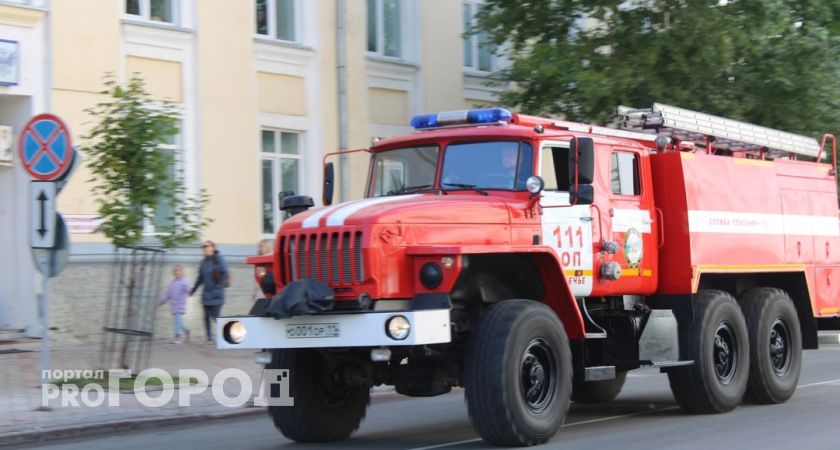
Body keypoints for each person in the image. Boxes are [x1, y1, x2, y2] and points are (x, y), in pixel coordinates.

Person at [191, 240, 229, 344]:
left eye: (206, 246)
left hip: (217, 294)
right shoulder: (203, 262)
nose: (204, 248)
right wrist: (193, 290)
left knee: (216, 317)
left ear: (213, 248)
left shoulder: (220, 259)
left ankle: (227, 336)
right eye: (203, 247)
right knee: (206, 317)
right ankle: (209, 339)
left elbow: (225, 272)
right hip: (206, 294)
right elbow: (200, 278)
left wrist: (219, 284)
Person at [158, 265, 191, 344]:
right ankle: (187, 331)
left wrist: (190, 291)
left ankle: (177, 337)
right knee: (179, 322)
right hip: (174, 305)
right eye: (176, 271)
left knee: (176, 321)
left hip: (180, 305)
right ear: (173, 272)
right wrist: (162, 300)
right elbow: (168, 294)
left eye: (179, 271)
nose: (177, 272)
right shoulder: (173, 283)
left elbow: (188, 289)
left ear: (182, 272)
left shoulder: (184, 281)